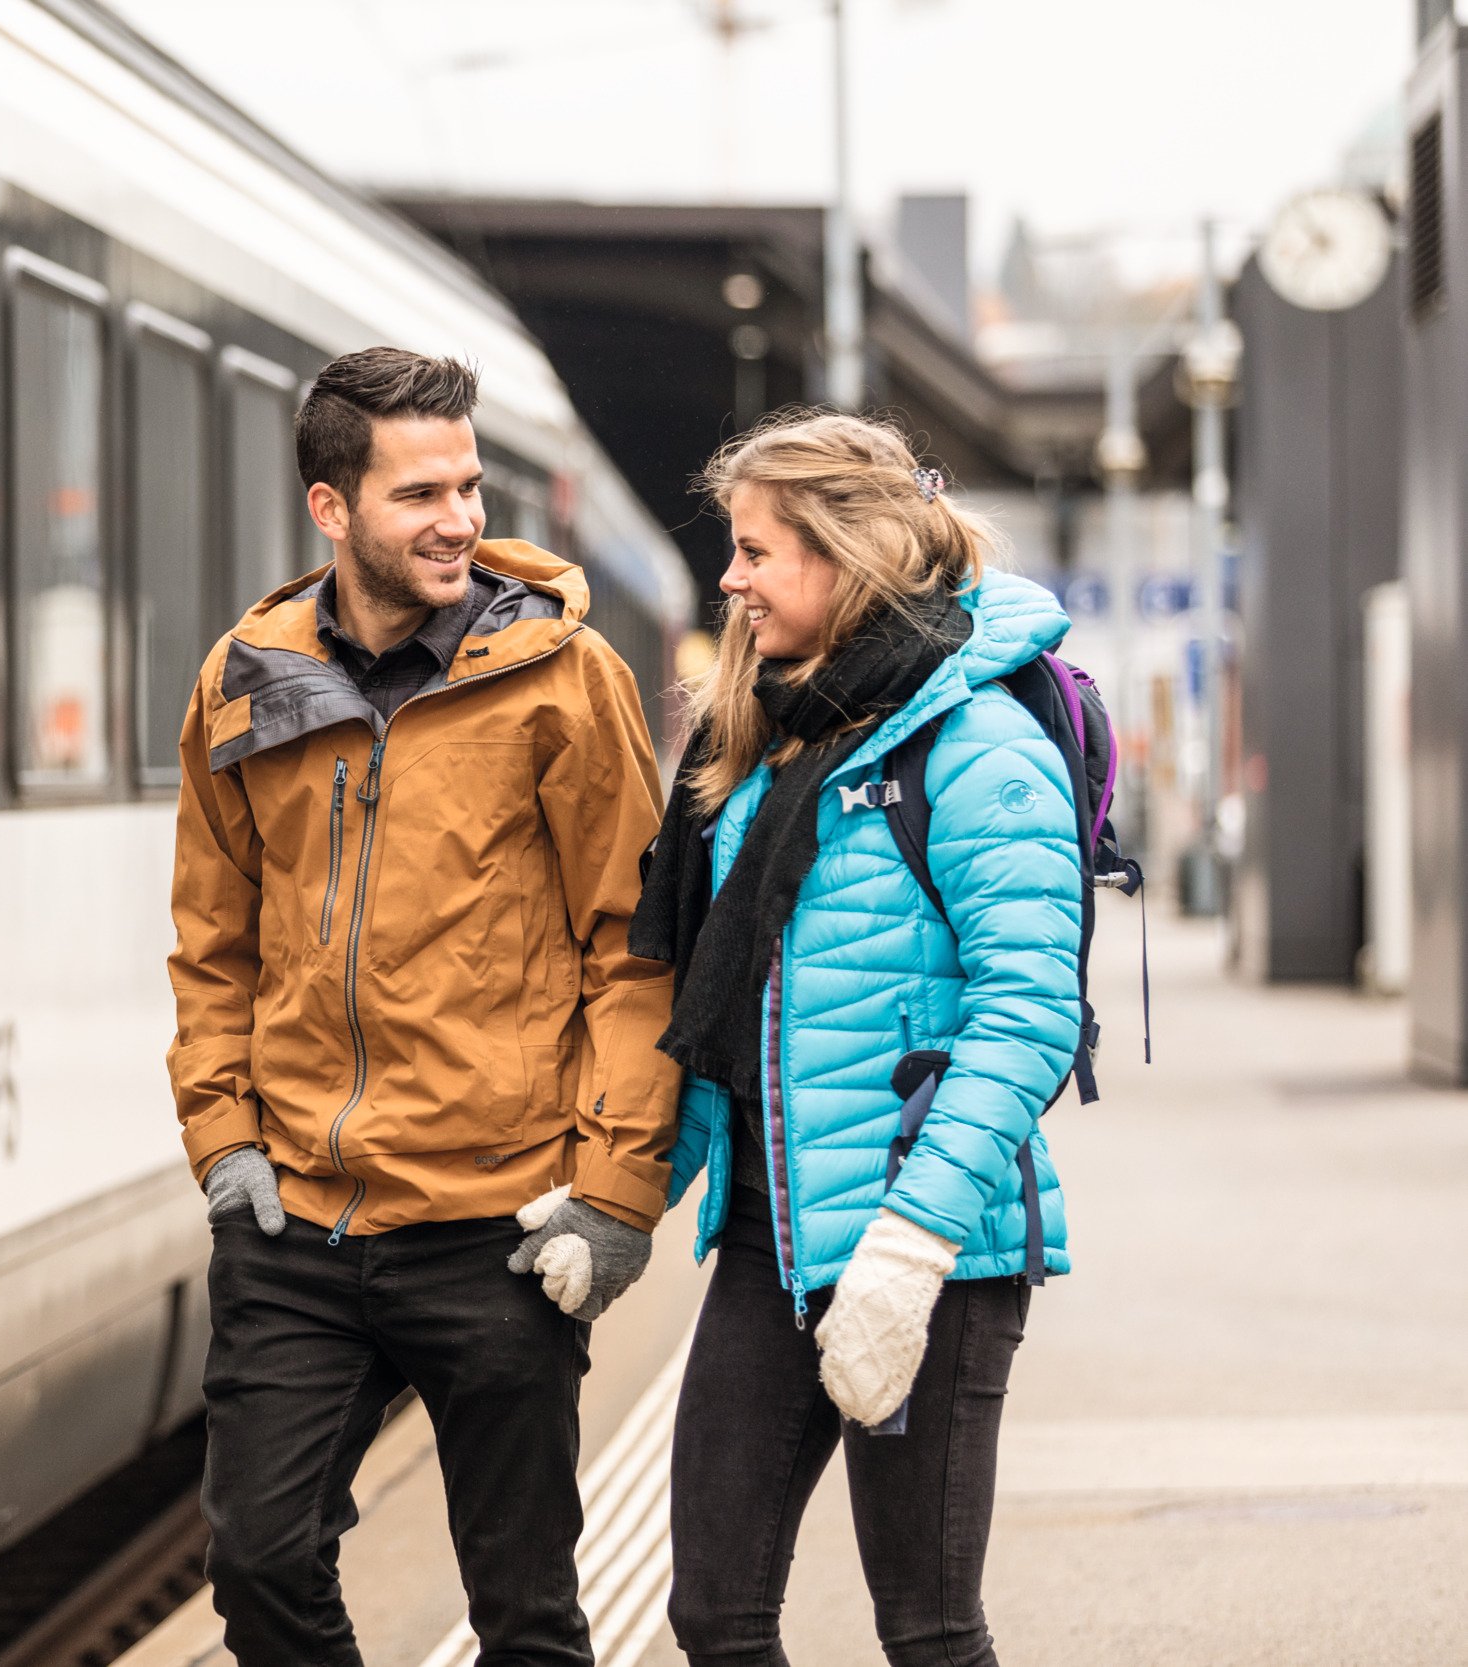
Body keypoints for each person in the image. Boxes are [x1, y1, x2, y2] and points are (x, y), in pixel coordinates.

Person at [165, 346, 679, 1667]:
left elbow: (633, 943)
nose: (460, 516)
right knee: (260, 1560)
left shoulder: (567, 683)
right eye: (419, 493)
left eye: (470, 482)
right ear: (333, 509)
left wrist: (616, 1190)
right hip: (299, 1218)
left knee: (527, 1613)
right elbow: (214, 938)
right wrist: (222, 1135)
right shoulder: (245, 683)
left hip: (495, 1221)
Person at [635, 411, 1082, 1667]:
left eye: (756, 550)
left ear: (844, 555)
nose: (729, 579)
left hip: (925, 1251)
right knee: (715, 1614)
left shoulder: (978, 747)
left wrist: (912, 1244)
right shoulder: (775, 744)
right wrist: (624, 1204)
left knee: (928, 1627)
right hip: (773, 1244)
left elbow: (1029, 1008)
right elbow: (733, 1013)